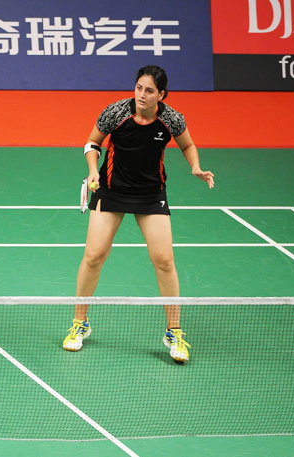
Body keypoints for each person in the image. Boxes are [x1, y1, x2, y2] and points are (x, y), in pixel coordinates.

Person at [62, 65, 214, 363]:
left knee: (164, 260)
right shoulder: (116, 113)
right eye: (138, 88)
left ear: (161, 94)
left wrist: (195, 167)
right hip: (112, 190)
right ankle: (80, 323)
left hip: (150, 193)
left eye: (149, 90)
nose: (141, 95)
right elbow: (92, 143)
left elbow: (188, 144)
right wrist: (93, 171)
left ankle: (174, 331)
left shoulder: (171, 118)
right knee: (94, 255)